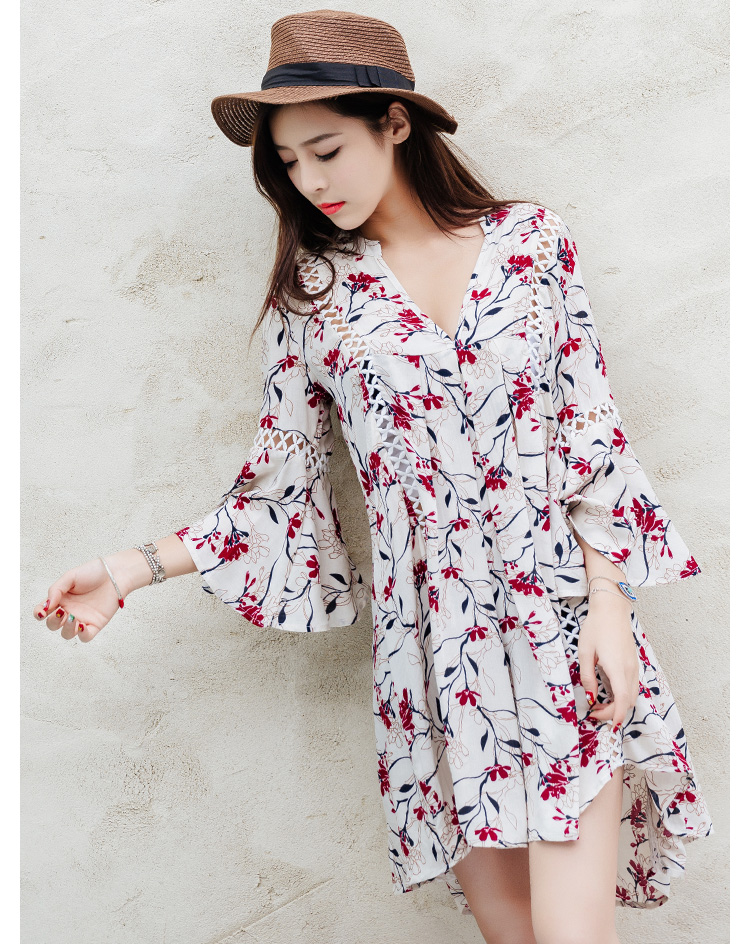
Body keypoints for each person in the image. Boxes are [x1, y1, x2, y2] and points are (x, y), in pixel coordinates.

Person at [31, 10, 713, 944]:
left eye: (327, 151)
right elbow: (278, 492)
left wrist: (611, 609)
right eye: (289, 164)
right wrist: (129, 568)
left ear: (395, 123)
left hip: (560, 625)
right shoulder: (313, 298)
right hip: (437, 659)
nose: (312, 182)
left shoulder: (532, 243)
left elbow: (591, 435)